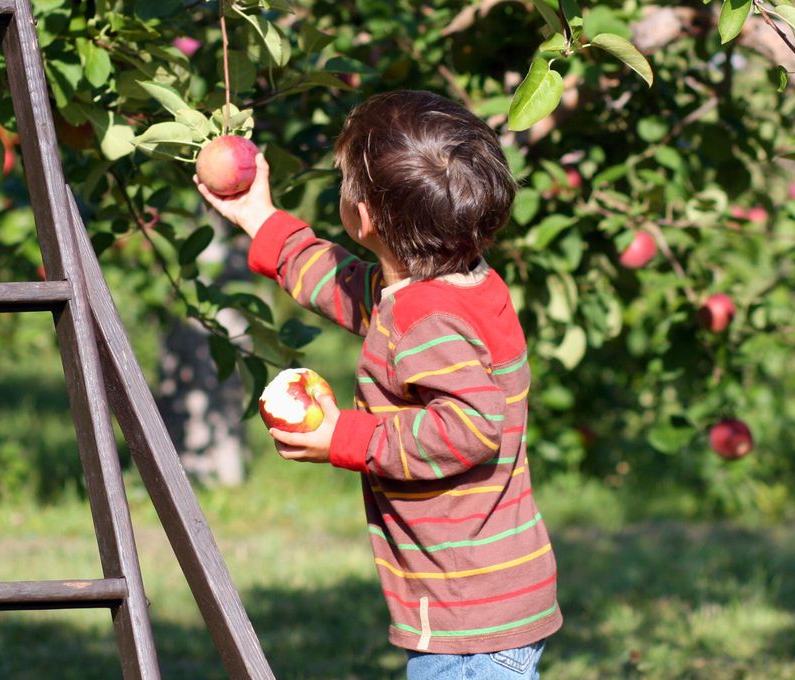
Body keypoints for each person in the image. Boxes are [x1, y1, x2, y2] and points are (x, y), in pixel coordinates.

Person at [195, 89, 560, 679]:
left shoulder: (427, 321)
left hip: (469, 625)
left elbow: (469, 427)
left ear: (361, 216)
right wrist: (260, 218)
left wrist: (348, 436)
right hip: (481, 602)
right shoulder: (454, 288)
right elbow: (342, 284)